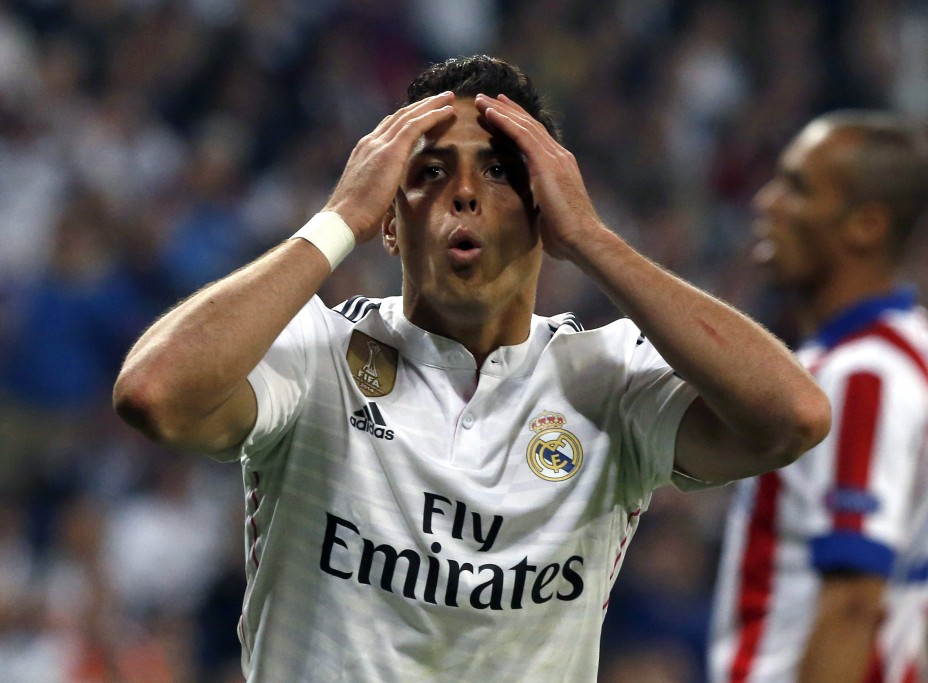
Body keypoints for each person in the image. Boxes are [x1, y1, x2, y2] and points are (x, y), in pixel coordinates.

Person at [113, 55, 830, 682]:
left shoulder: (609, 378)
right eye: (430, 172)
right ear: (389, 220)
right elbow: (154, 393)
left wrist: (592, 239)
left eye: (500, 171)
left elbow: (793, 416)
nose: (464, 192)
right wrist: (338, 218)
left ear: (545, 209)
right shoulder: (315, 352)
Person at [708, 111, 928, 683]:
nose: (766, 202)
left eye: (797, 187)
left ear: (866, 225)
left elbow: (854, 603)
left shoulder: (863, 378)